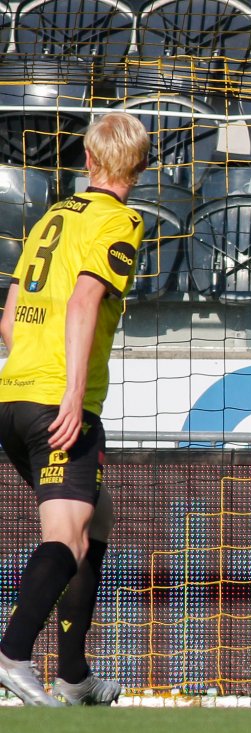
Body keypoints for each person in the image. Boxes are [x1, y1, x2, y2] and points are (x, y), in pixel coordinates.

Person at [0, 111, 149, 706]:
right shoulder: (122, 220)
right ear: (138, 168)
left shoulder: (52, 218)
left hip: (13, 396)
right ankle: (12, 656)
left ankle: (74, 675)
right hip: (58, 404)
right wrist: (68, 393)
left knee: (98, 517)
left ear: (88, 160)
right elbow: (86, 299)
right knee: (66, 539)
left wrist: (34, 376)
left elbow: (10, 319)